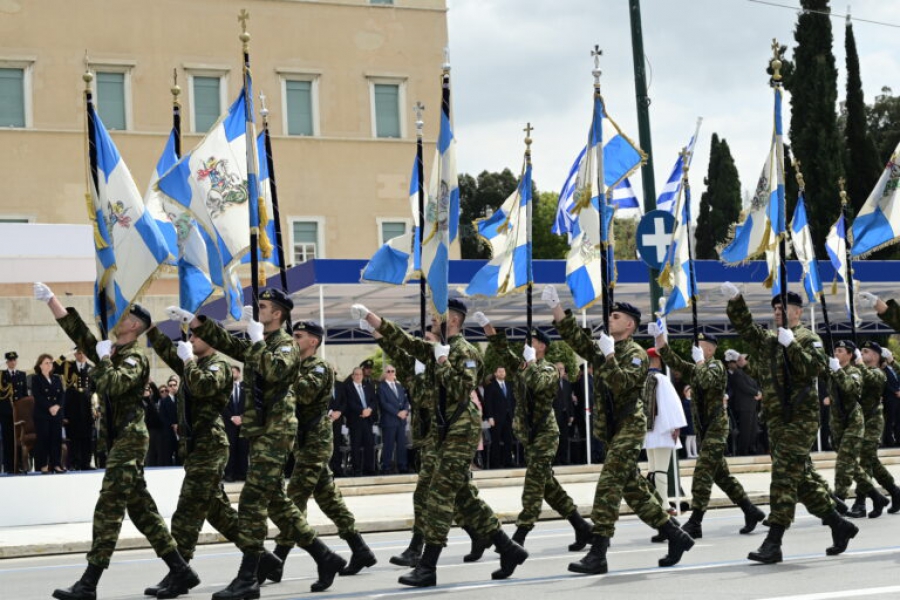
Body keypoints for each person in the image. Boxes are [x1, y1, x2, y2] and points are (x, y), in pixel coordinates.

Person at [169, 288, 346, 597]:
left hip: (276, 431)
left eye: (263, 306)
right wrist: (196, 322)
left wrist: (257, 340)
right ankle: (325, 556)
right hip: (261, 431)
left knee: (251, 501)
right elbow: (229, 344)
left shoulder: (287, 345)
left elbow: (276, 370)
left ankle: (248, 577)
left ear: (277, 313)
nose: (257, 309)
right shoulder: (262, 343)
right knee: (277, 503)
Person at [34, 282, 199, 600]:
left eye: (123, 316)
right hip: (120, 440)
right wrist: (52, 300)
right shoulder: (114, 352)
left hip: (130, 440)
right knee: (142, 512)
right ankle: (181, 570)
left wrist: (103, 360)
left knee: (109, 505)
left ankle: (89, 583)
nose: (116, 318)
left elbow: (113, 384)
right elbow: (78, 333)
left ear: (134, 325)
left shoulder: (134, 358)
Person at [354, 299, 528, 587]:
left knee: (440, 495)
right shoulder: (436, 348)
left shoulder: (466, 351)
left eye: (437, 317)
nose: (433, 321)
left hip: (460, 428)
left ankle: (427, 566)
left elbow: (462, 388)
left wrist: (443, 362)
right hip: (441, 430)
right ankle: (508, 548)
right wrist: (373, 319)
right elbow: (405, 342)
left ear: (454, 321)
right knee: (463, 497)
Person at [542, 285, 694, 575]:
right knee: (635, 493)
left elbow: (622, 383)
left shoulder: (636, 353)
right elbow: (575, 338)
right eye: (610, 316)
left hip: (629, 426)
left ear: (629, 325)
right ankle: (676, 536)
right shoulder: (604, 348)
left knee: (608, 486)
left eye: (615, 317)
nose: (609, 320)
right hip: (612, 430)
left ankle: (598, 553)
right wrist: (556, 307)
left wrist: (609, 357)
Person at [722, 283, 858, 562]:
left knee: (783, 477)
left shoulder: (808, 338)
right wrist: (736, 301)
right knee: (801, 480)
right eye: (774, 308)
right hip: (777, 420)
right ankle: (839, 524)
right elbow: (748, 330)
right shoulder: (773, 339)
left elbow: (815, 368)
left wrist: (792, 345)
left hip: (800, 418)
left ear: (797, 312)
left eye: (782, 308)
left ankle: (774, 541)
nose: (777, 312)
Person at [260, 320, 376, 585]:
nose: (293, 340)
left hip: (316, 441)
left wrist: (285, 369)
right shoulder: (296, 365)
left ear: (313, 341)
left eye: (298, 336)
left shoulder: (320, 367)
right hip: (303, 441)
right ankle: (360, 549)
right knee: (328, 499)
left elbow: (302, 393)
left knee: (294, 499)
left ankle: (278, 561)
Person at [473, 311, 593, 551]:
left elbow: (538, 384)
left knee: (533, 485)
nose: (527, 345)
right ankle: (582, 527)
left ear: (542, 347)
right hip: (531, 436)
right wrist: (488, 328)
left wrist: (531, 365)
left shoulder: (549, 370)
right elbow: (503, 352)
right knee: (549, 487)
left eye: (532, 342)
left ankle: (519, 537)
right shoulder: (523, 366)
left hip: (545, 435)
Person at [142, 321, 246, 598]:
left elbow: (203, 387)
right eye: (190, 336)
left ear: (212, 339)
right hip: (196, 448)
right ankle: (260, 557)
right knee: (219, 513)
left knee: (187, 511)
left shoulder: (218, 365)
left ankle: (180, 572)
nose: (191, 340)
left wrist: (188, 360)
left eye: (197, 336)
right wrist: (150, 328)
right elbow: (167, 350)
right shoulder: (192, 365)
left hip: (210, 446)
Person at [653, 329, 766, 538]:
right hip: (705, 430)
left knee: (702, 473)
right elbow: (677, 363)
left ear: (711, 350)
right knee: (722, 476)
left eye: (701, 347)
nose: (696, 349)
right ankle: (751, 510)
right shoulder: (698, 367)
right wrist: (661, 343)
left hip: (716, 427)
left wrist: (699, 362)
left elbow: (706, 381)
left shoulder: (716, 367)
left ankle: (695, 522)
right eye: (695, 346)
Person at [824, 340, 886, 518]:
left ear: (850, 355)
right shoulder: (832, 370)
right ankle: (877, 497)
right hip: (838, 424)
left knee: (843, 463)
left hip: (853, 423)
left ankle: (839, 502)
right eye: (835, 350)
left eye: (840, 350)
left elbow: (851, 389)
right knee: (851, 464)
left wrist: (838, 370)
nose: (836, 353)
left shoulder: (854, 372)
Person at [854, 341, 900, 515]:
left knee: (865, 462)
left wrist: (859, 363)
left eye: (865, 351)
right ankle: (895, 491)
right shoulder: (860, 370)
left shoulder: (879, 372)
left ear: (874, 355)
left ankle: (860, 503)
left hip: (873, 421)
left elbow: (873, 380)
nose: (862, 354)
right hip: (861, 421)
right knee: (871, 461)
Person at [641, 347, 686, 518]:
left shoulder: (642, 379)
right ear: (657, 360)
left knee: (653, 469)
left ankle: (654, 502)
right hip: (662, 429)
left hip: (648, 431)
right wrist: (676, 425)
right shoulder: (661, 379)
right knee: (660, 469)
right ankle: (665, 505)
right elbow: (672, 404)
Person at [57, 348, 95, 471]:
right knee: (73, 435)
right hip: (71, 405)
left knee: (87, 436)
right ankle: (73, 463)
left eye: (84, 352)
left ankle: (86, 463)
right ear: (75, 354)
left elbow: (95, 389)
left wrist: (96, 407)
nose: (81, 355)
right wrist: (64, 355)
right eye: (79, 352)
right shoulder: (68, 366)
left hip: (86, 406)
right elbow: (54, 367)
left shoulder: (92, 368)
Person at [33, 353, 66, 473]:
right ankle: (43, 465)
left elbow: (62, 394)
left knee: (56, 439)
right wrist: (50, 407)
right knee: (44, 439)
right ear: (40, 365)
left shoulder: (57, 378)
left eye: (51, 363)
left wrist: (57, 406)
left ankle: (56, 464)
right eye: (46, 363)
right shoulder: (36, 379)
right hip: (42, 414)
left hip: (56, 414)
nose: (49, 365)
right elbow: (38, 396)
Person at [725, 349, 761, 455]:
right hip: (744, 406)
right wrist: (757, 392)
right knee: (746, 430)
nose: (744, 361)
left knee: (752, 429)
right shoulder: (737, 374)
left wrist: (759, 392)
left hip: (751, 405)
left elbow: (753, 384)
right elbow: (744, 387)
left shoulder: (744, 373)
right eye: (740, 359)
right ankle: (743, 450)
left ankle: (750, 448)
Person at [344, 366, 377, 476]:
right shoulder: (348, 387)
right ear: (352, 376)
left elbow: (373, 400)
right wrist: (362, 411)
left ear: (362, 376)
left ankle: (369, 469)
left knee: (369, 444)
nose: (358, 376)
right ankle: (356, 469)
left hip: (367, 420)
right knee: (356, 445)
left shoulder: (368, 386)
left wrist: (369, 410)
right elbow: (350, 403)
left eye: (360, 374)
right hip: (355, 420)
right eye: (356, 374)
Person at [378, 363, 410, 473]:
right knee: (388, 445)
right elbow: (384, 404)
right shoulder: (381, 387)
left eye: (393, 371)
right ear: (385, 374)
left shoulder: (399, 386)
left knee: (401, 445)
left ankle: (402, 466)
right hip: (389, 421)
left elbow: (406, 401)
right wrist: (397, 413)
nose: (391, 373)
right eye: (388, 371)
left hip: (401, 421)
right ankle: (386, 467)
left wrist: (405, 411)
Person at [483, 365, 516, 468]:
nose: (502, 373)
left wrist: (514, 416)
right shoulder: (490, 386)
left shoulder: (509, 385)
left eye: (503, 371)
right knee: (496, 441)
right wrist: (490, 417)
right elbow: (488, 403)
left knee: (508, 440)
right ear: (495, 374)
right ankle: (495, 463)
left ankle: (508, 461)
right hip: (496, 418)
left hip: (508, 417)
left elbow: (512, 401)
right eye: (500, 371)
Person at [1, 350, 29, 474]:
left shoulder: (22, 375)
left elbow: (24, 394)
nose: (12, 362)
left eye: (14, 360)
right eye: (10, 361)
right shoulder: (1, 375)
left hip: (19, 413)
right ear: (6, 362)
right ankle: (9, 466)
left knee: (19, 439)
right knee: (7, 439)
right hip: (6, 412)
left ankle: (20, 465)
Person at [223, 365, 249, 482]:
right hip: (229, 423)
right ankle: (230, 474)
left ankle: (242, 473)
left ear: (238, 373)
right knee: (231, 448)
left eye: (233, 372)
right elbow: (222, 405)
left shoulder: (246, 387)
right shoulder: (224, 388)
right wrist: (232, 417)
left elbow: (250, 404)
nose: (231, 374)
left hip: (244, 423)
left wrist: (241, 417)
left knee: (243, 448)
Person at [881, 348, 900, 448]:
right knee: (890, 420)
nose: (892, 357)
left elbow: (896, 380)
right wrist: (896, 391)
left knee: (897, 420)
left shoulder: (892, 368)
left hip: (897, 398)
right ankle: (888, 441)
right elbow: (886, 383)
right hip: (890, 398)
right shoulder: (882, 369)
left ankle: (898, 439)